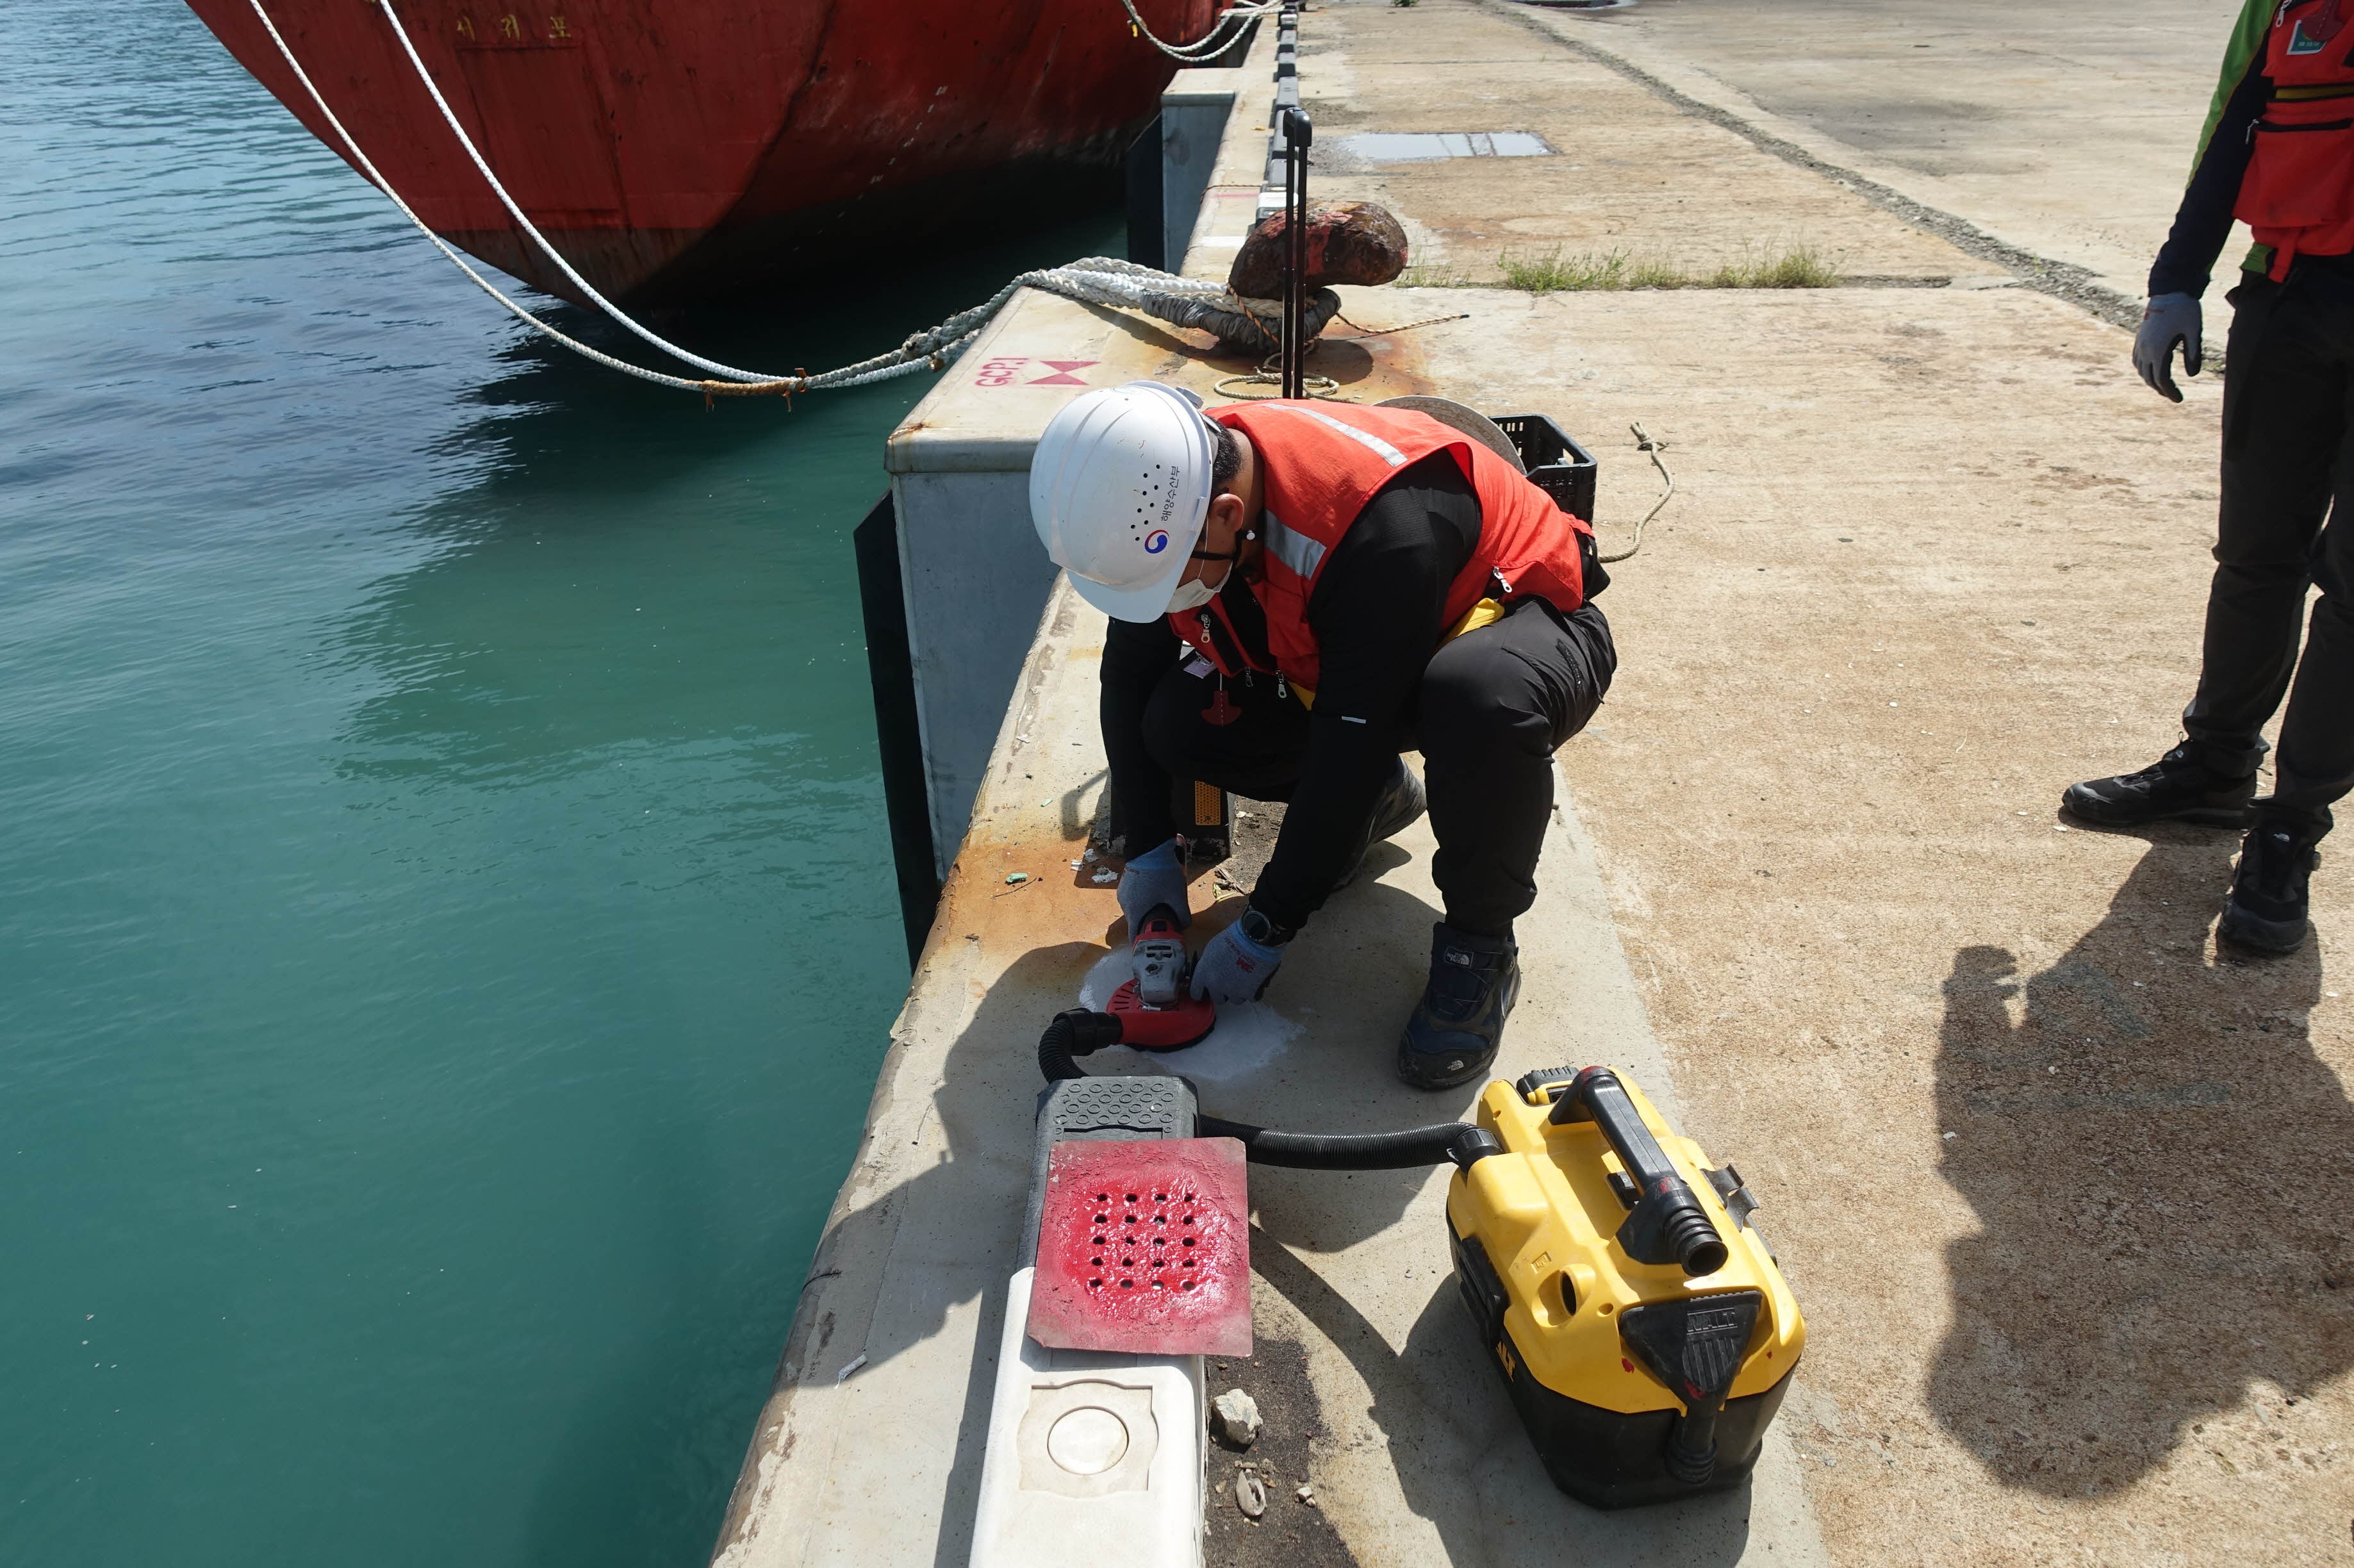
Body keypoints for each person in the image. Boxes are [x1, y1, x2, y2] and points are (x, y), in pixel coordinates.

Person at [1030, 381, 1615, 1087]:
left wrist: (1268, 923)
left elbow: (1350, 738)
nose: (1165, 600)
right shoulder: (1166, 493)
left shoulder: (1376, 526)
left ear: (1226, 515)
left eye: (1171, 581)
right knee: (1175, 723)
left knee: (1475, 700)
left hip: (1517, 623)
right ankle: (1379, 804)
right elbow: (1128, 675)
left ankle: (1480, 948)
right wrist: (1148, 848)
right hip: (1360, 650)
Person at [2064, 0, 2353, 953]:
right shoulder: (2290, 5)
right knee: (2254, 555)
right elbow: (2237, 123)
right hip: (2291, 292)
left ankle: (2289, 827)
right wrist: (2175, 278)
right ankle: (2216, 764)